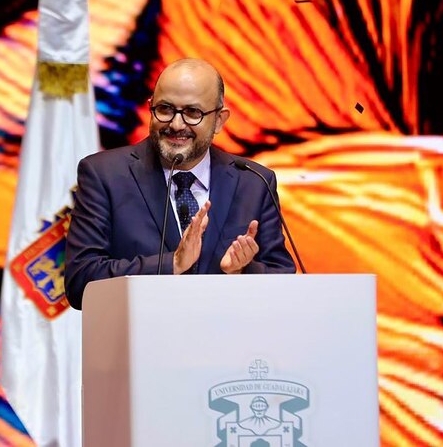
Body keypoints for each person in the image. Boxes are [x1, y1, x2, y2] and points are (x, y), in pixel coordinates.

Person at [64, 58, 296, 309]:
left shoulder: (254, 181)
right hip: (140, 343)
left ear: (219, 120)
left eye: (192, 113)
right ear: (150, 107)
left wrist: (241, 272)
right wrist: (171, 264)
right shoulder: (104, 174)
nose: (176, 124)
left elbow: (283, 282)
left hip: (228, 342)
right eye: (165, 109)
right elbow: (81, 282)